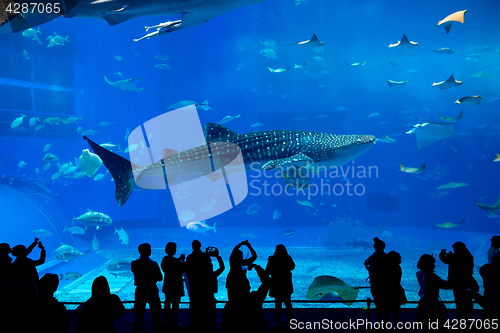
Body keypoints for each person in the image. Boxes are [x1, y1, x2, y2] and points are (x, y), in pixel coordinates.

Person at [439, 241, 478, 320]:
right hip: (466, 282)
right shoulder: (467, 256)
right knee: (466, 300)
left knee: (460, 300)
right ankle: (466, 317)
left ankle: (461, 317)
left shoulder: (456, 257)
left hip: (458, 282)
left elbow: (446, 260)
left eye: (455, 249)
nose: (454, 250)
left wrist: (443, 254)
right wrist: (450, 255)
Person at [131, 243, 163, 333]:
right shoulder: (154, 264)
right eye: (150, 250)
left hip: (140, 290)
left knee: (139, 315)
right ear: (148, 251)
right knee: (156, 314)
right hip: (152, 290)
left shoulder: (134, 263)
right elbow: (160, 278)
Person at [193, 246, 225, 333]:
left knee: (202, 312)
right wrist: (217, 256)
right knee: (210, 312)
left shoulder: (199, 273)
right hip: (209, 295)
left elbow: (199, 264)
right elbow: (222, 267)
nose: (211, 263)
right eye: (210, 263)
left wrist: (206, 255)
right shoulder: (211, 275)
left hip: (201, 294)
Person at [416, 254, 451, 328]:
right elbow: (448, 285)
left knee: (424, 326)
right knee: (436, 326)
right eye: (432, 263)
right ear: (428, 265)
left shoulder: (419, 274)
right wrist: (451, 271)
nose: (434, 265)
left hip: (422, 303)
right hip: (432, 304)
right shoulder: (433, 277)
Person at [266, 244, 295, 327]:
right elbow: (292, 267)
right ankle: (291, 320)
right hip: (286, 283)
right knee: (288, 303)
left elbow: (267, 271)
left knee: (277, 304)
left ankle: (278, 321)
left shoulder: (272, 259)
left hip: (276, 284)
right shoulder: (287, 258)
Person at [161, 242, 185, 330]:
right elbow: (182, 269)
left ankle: (166, 322)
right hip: (176, 286)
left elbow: (166, 268)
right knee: (175, 304)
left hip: (167, 285)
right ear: (174, 250)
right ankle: (174, 322)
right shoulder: (176, 261)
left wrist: (179, 260)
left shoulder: (164, 259)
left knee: (167, 303)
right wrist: (182, 260)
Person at [363, 237, 387, 321]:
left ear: (375, 247)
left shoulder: (373, 257)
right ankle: (385, 319)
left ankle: (379, 320)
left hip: (375, 282)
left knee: (377, 301)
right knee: (385, 301)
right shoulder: (386, 257)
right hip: (385, 283)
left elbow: (365, 262)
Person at [383, 251, 406, 324]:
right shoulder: (398, 267)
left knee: (385, 313)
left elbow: (385, 279)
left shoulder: (388, 268)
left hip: (388, 292)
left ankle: (386, 329)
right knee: (395, 313)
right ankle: (397, 329)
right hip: (397, 291)